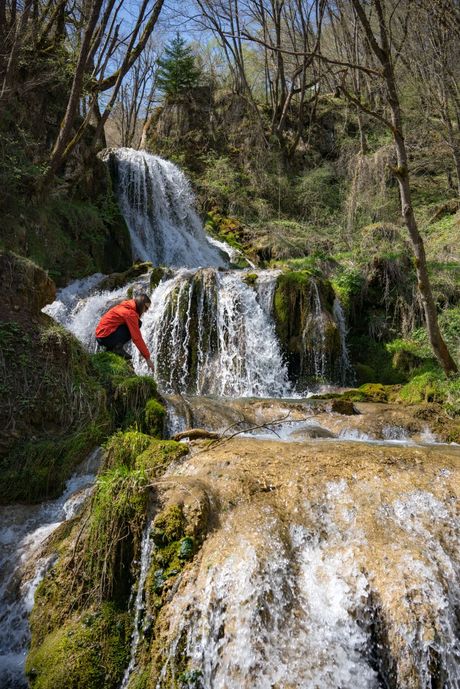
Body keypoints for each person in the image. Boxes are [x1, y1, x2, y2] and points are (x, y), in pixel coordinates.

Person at [95, 292, 155, 372]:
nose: (146, 311)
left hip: (101, 336)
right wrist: (147, 358)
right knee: (137, 324)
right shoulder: (130, 313)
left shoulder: (125, 306)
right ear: (141, 305)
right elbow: (136, 338)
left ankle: (112, 348)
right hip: (106, 337)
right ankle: (117, 348)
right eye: (146, 308)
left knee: (136, 324)